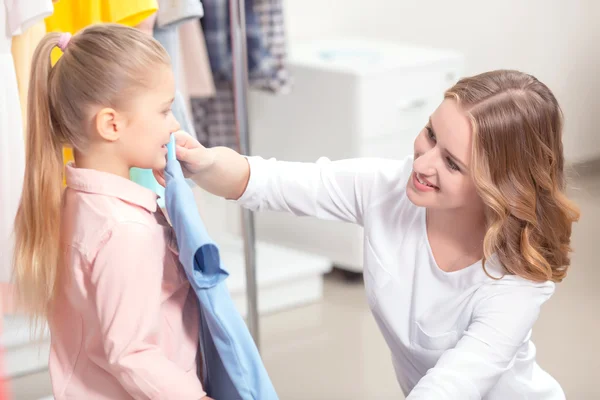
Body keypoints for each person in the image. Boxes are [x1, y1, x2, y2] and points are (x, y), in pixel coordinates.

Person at [157, 70, 580, 399]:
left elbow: (458, 380)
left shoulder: (517, 279)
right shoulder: (386, 189)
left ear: (499, 186)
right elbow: (272, 180)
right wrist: (204, 162)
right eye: (430, 134)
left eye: (452, 163)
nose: (423, 163)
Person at [12, 24, 212, 399]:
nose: (175, 124)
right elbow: (133, 353)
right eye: (165, 110)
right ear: (111, 124)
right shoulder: (125, 229)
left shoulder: (76, 205)